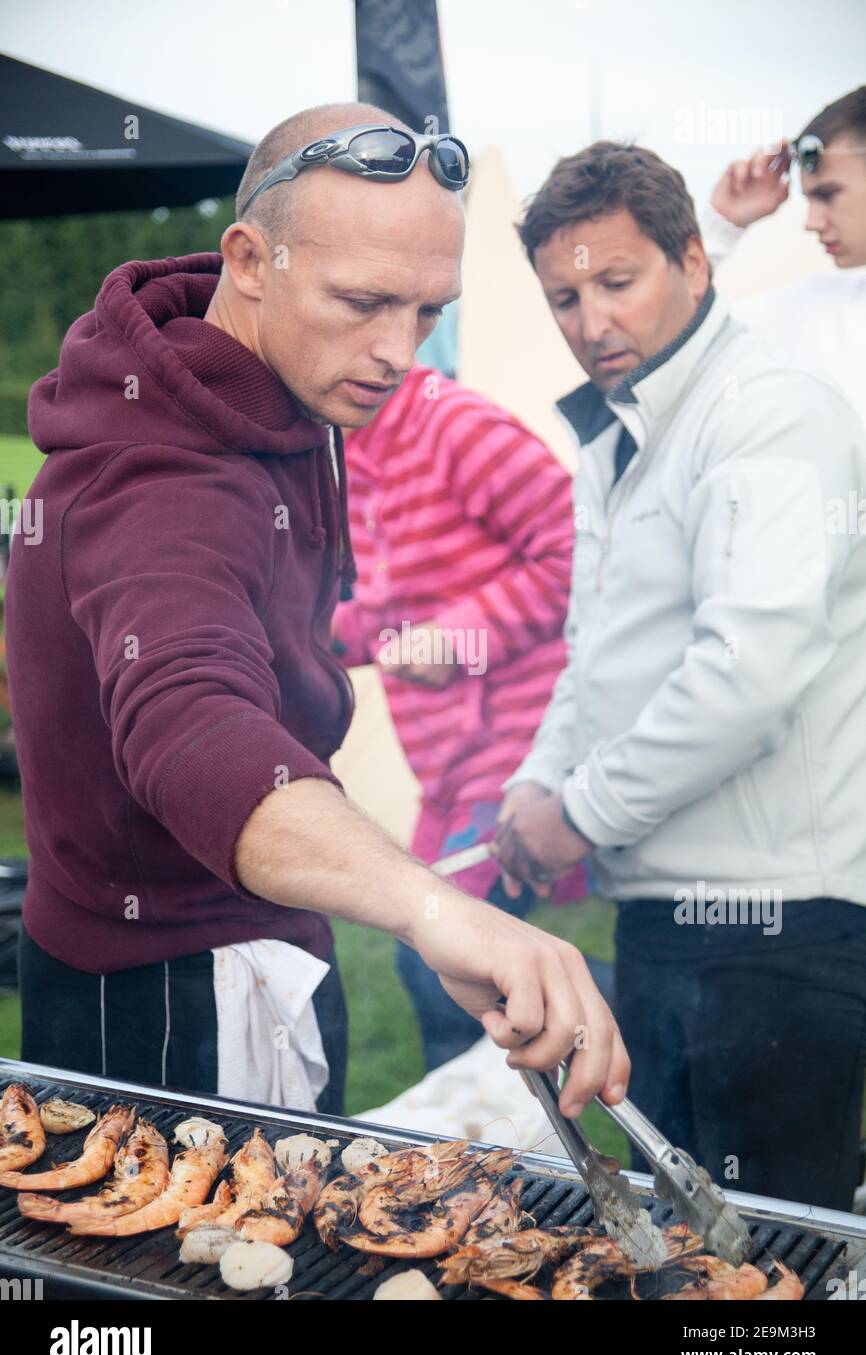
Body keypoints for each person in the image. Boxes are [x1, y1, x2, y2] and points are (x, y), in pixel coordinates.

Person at [5, 103, 628, 1121]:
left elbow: (266, 626)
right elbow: (195, 726)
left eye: (426, 312)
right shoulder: (158, 477)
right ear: (250, 260)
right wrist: (430, 906)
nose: (399, 351)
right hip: (169, 989)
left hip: (260, 929)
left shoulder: (276, 385)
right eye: (363, 301)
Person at [494, 140, 866, 1209]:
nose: (590, 322)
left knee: (772, 1262)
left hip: (775, 930)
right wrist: (536, 782)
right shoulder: (618, 436)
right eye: (564, 298)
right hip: (656, 920)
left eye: (617, 282)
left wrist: (579, 813)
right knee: (669, 1248)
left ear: (694, 262)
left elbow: (747, 674)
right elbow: (596, 655)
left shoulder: (768, 412)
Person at [333, 362, 591, 1070]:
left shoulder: (456, 425)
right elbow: (388, 610)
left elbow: (579, 551)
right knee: (424, 948)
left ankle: (615, 1025)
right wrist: (294, 640)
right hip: (445, 768)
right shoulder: (343, 452)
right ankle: (481, 1116)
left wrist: (459, 637)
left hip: (517, 748)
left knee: (441, 963)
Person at [703, 85, 866, 427]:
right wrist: (721, 228)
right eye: (809, 200)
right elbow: (670, 336)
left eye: (828, 195)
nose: (811, 222)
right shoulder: (813, 313)